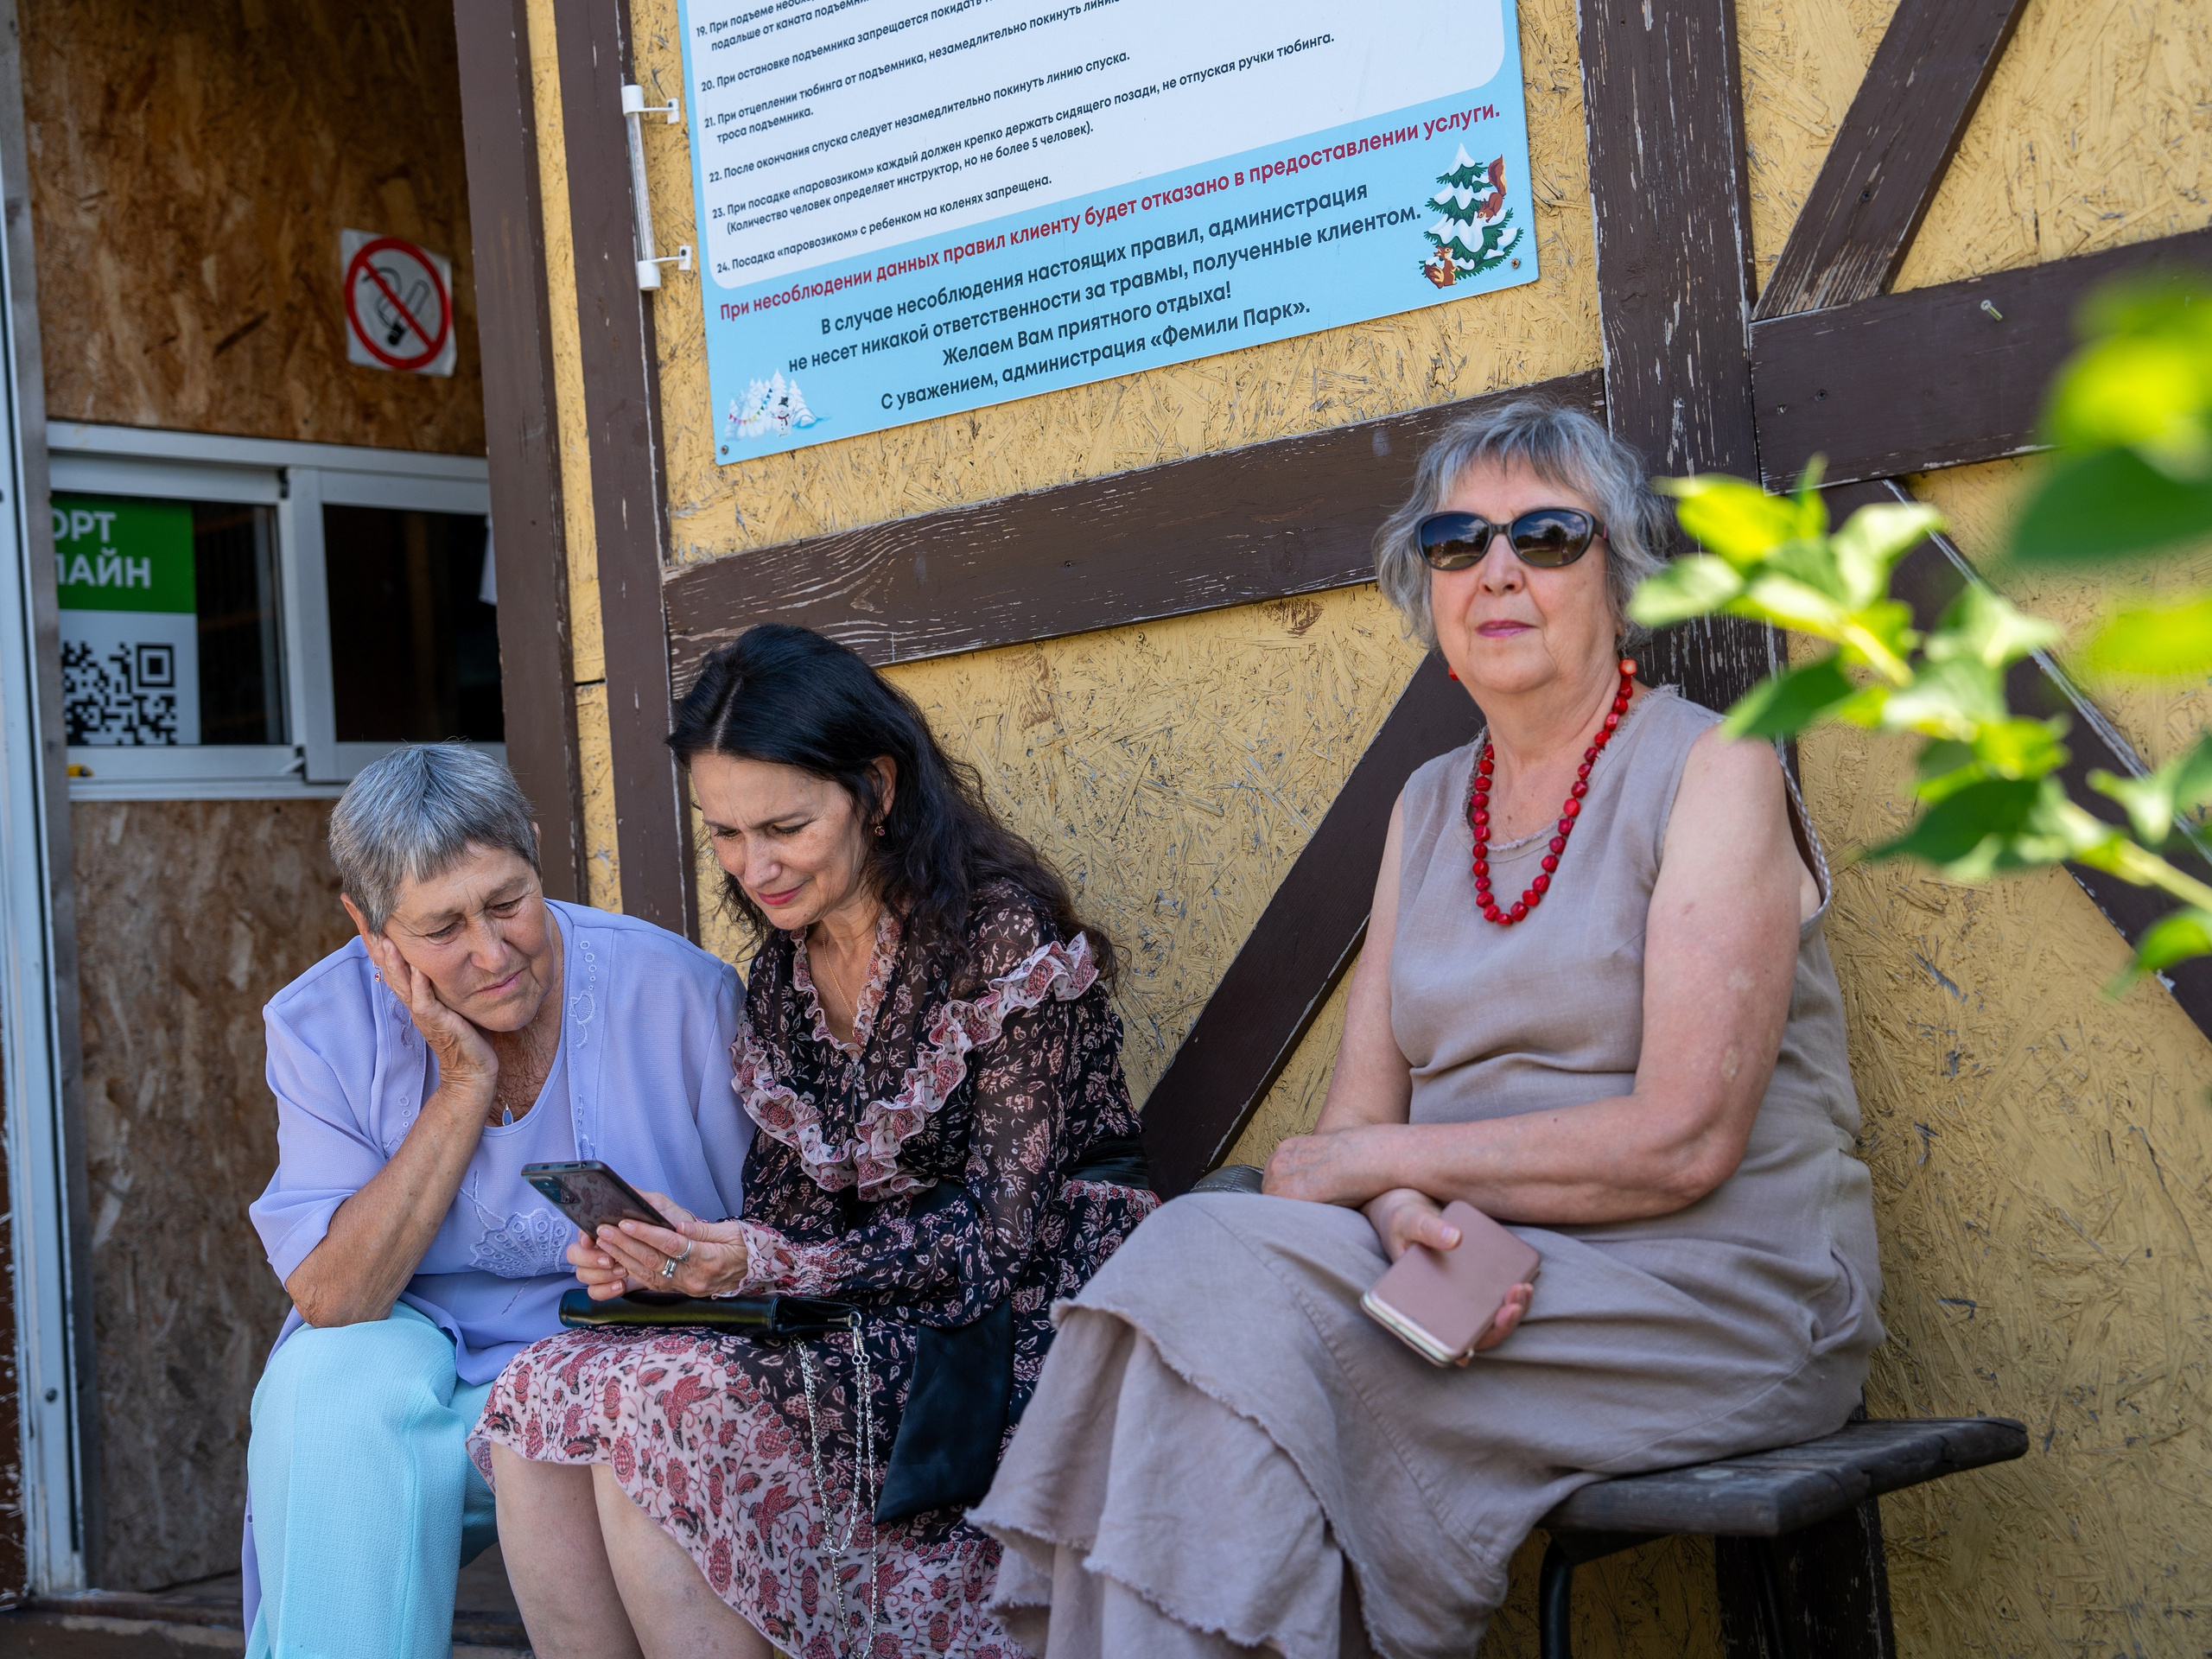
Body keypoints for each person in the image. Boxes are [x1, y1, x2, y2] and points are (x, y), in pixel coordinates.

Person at [973, 399, 1885, 1656]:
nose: (1499, 570)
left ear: (1618, 582)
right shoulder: (1425, 803)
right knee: (1191, 1297)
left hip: (1710, 1286)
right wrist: (1411, 1218)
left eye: (1550, 537)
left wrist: (1379, 1173)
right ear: (1429, 593)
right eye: (1460, 545)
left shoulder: (1714, 765)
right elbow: (1359, 1127)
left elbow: (1684, 1140)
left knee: (1225, 1308)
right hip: (1471, 1271)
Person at [474, 625, 1158, 1659]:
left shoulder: (997, 936)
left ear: (876, 791)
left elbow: (998, 1239)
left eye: (784, 826)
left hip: (1015, 1318)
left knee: (663, 1399)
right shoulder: (785, 976)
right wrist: (680, 1257)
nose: (754, 866)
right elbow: (790, 1223)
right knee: (547, 1382)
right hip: (871, 1308)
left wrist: (770, 1259)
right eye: (725, 834)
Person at [244, 744, 753, 1659]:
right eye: (440, 929)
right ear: (372, 929)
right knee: (322, 1391)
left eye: (506, 903)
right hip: (422, 1366)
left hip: (626, 1351)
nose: (491, 953)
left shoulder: (684, 995)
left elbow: (774, 1244)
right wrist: (461, 1084)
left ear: (538, 852)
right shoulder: (319, 1024)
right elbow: (335, 1299)